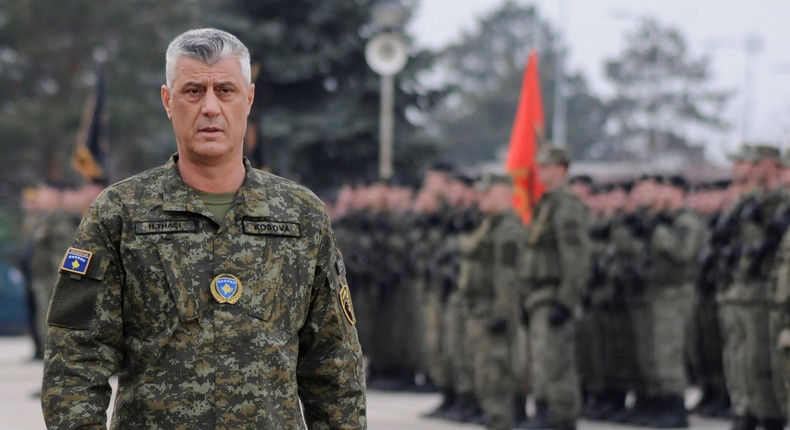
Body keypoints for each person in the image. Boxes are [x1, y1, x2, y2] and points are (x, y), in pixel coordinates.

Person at [41, 28, 366, 428]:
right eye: (193, 90)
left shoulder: (302, 216)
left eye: (225, 90)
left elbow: (335, 370)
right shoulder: (119, 213)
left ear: (248, 99)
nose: (210, 107)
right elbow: (74, 360)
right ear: (168, 101)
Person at [519, 145, 591, 430]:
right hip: (538, 295)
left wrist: (567, 300)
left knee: (556, 361)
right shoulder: (546, 204)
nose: (540, 171)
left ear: (561, 169)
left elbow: (575, 258)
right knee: (541, 360)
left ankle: (561, 417)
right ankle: (545, 412)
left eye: (547, 166)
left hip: (554, 294)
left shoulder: (566, 207)